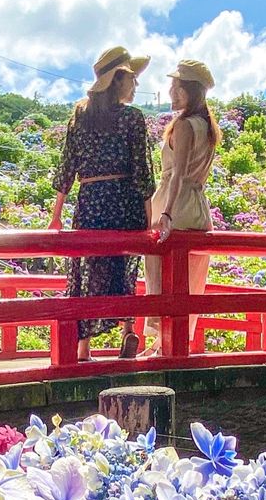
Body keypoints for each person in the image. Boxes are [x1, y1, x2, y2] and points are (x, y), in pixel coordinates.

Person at [49, 46, 154, 361]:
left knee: (89, 270)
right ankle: (128, 331)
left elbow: (67, 167)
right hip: (124, 201)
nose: (135, 85)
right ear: (118, 79)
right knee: (123, 268)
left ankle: (83, 348)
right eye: (132, 78)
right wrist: (150, 218)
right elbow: (142, 171)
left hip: (91, 201)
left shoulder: (80, 115)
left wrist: (56, 215)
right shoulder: (132, 118)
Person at [142, 60, 220, 356]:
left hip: (176, 202)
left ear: (190, 90)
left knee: (161, 274)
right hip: (197, 204)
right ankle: (167, 342)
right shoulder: (208, 126)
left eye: (177, 87)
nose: (171, 91)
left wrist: (166, 213)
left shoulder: (186, 125)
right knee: (190, 277)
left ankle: (163, 341)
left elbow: (177, 173)